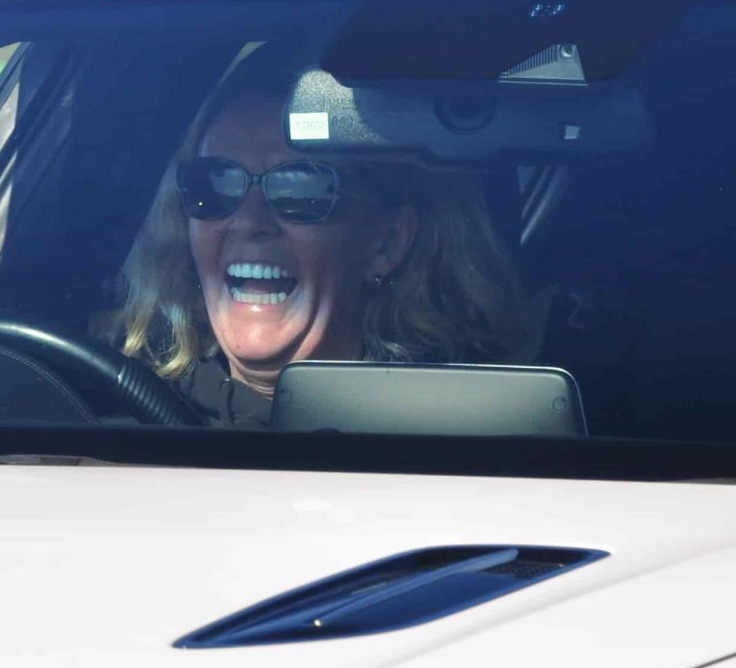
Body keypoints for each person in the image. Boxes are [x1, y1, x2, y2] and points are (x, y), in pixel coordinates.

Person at [110, 58, 529, 426]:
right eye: (214, 186)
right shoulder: (108, 411)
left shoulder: (454, 442)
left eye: (301, 190)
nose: (249, 221)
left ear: (386, 243)